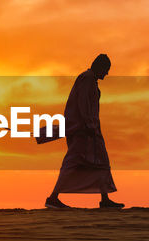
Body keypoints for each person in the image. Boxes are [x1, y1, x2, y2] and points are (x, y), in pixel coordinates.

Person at [44, 54, 124, 210]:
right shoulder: (87, 79)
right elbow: (82, 103)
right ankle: (53, 197)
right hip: (84, 130)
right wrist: (89, 125)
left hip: (90, 129)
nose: (107, 73)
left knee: (101, 162)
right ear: (100, 67)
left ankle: (105, 198)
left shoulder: (89, 80)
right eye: (106, 70)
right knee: (72, 163)